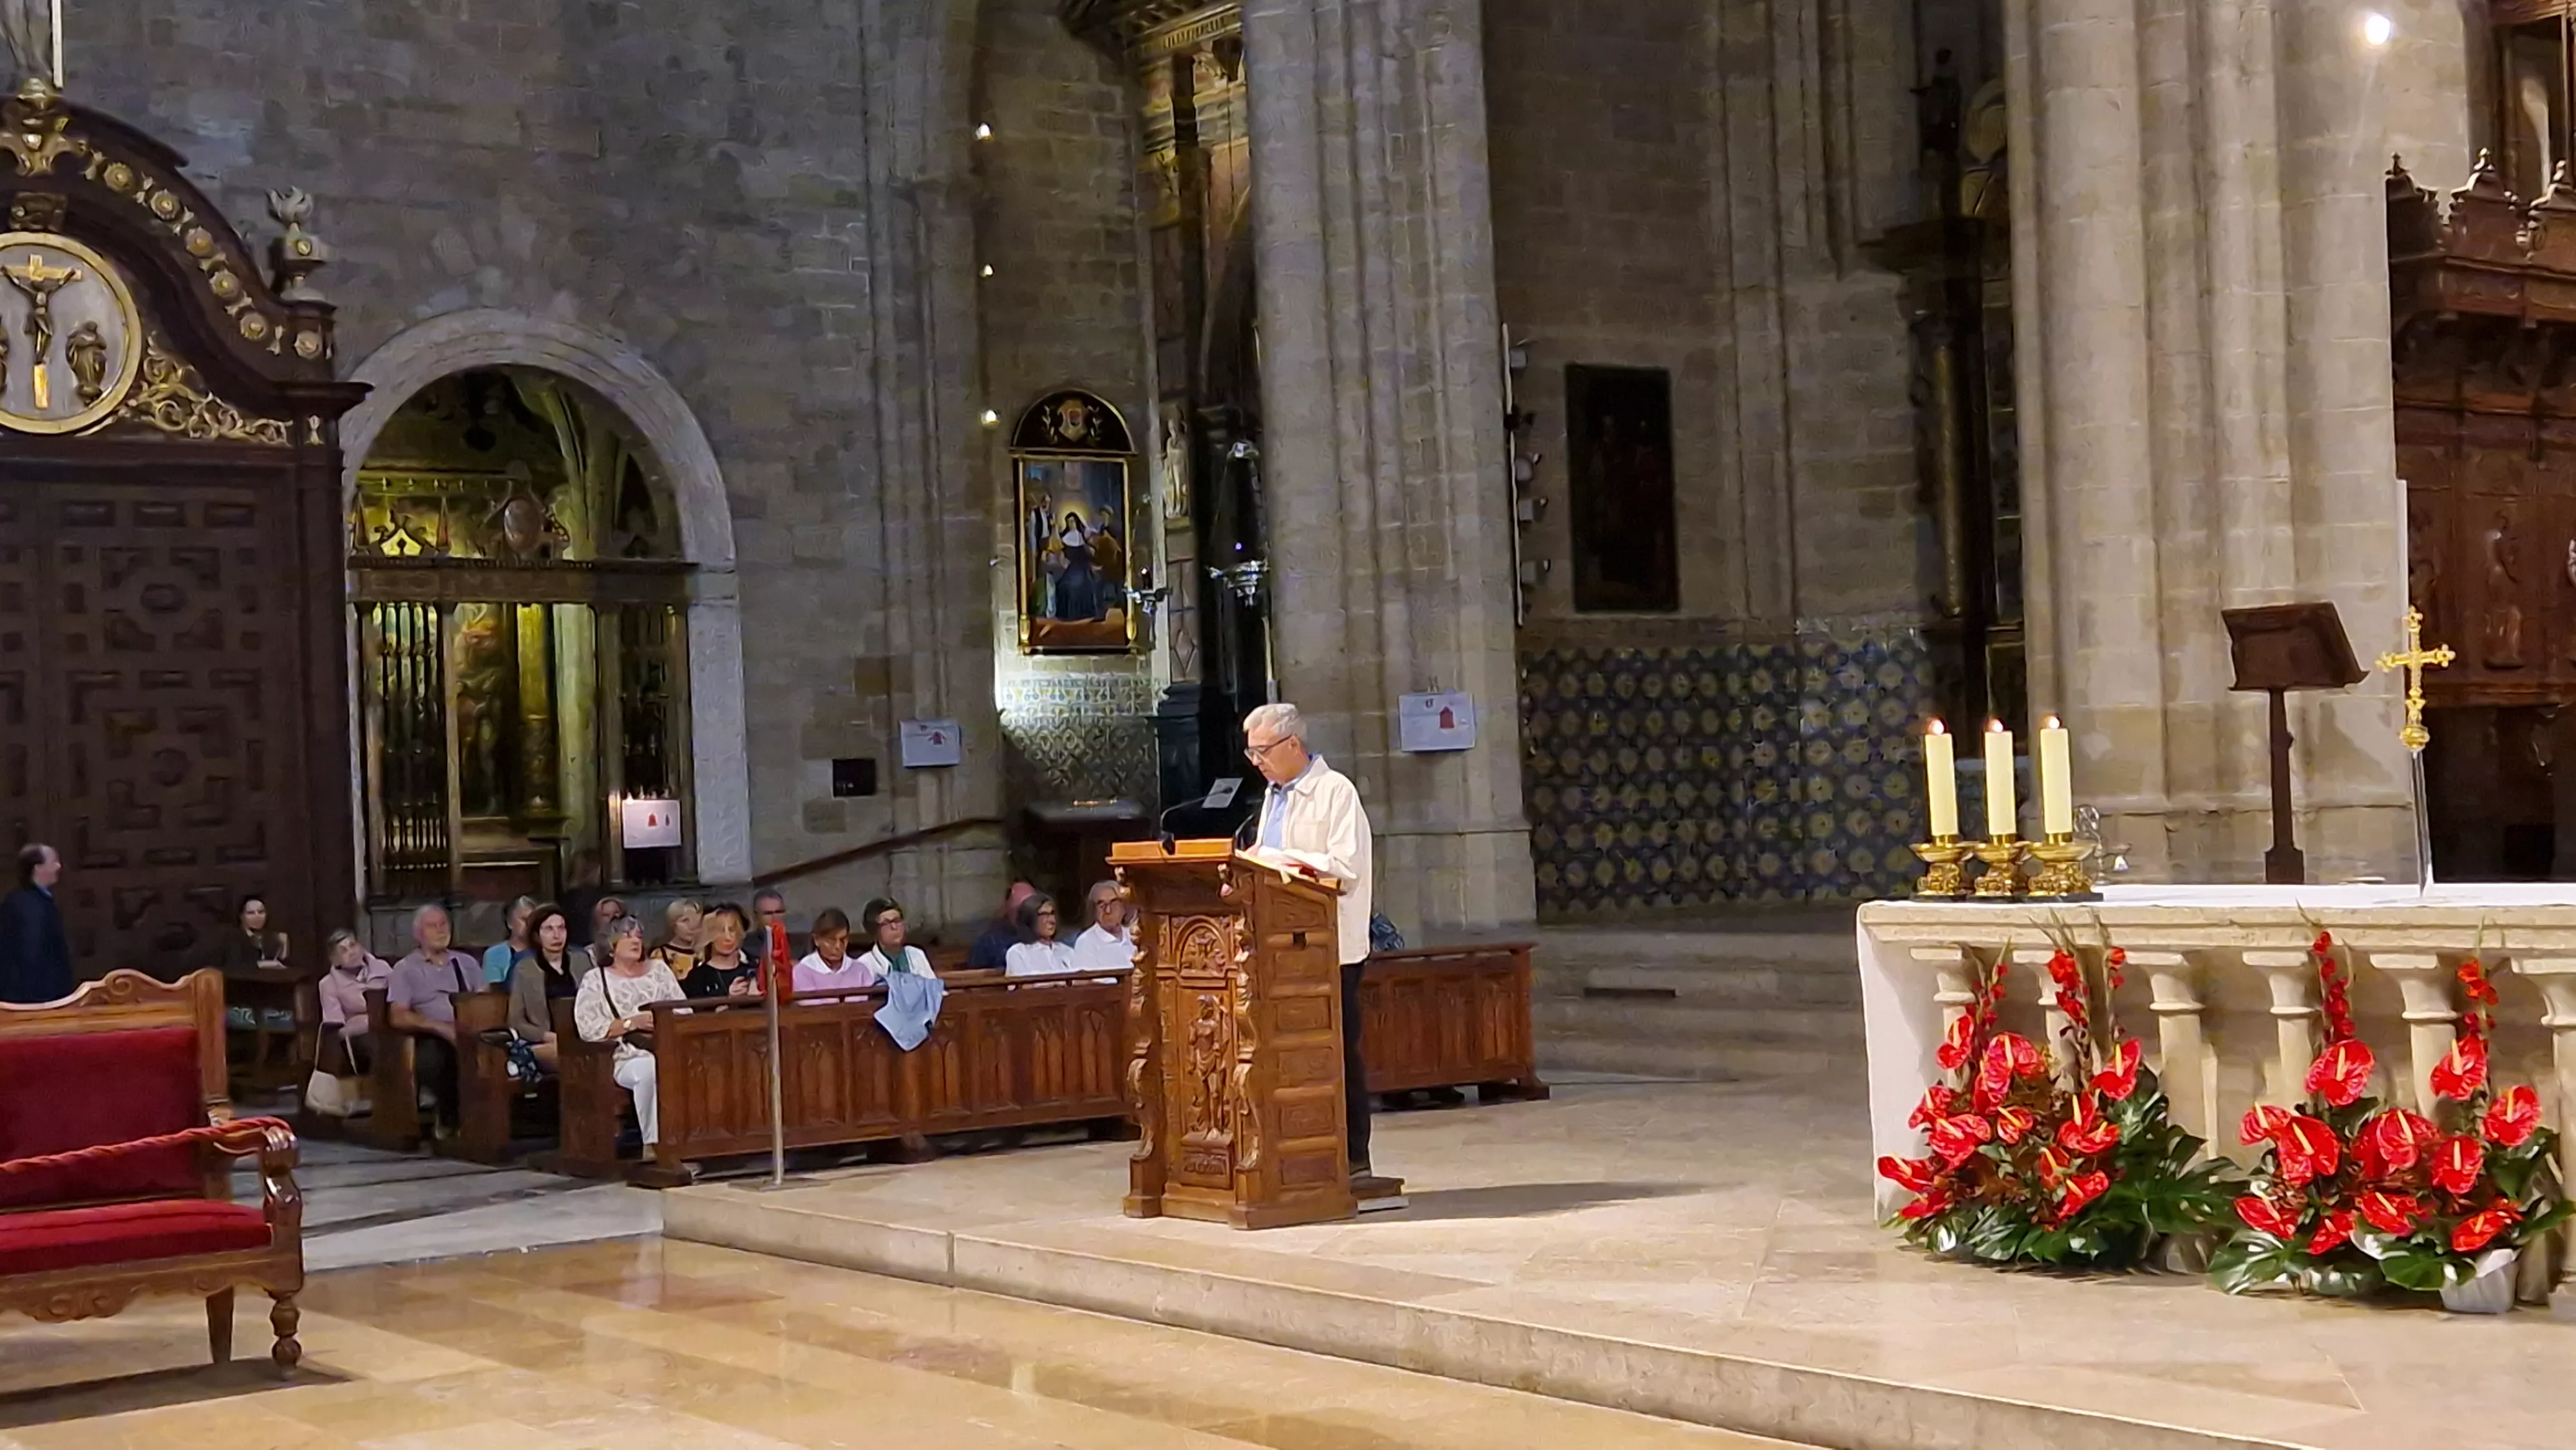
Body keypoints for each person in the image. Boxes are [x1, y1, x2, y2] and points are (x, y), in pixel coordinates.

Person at [1242, 702, 1384, 1187]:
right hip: (1281, 948)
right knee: (1292, 1053)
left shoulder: (1334, 792)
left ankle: (1353, 1159)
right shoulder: (1273, 796)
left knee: (1337, 1051)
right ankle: (1302, 1153)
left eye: (1261, 751)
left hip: (1330, 949)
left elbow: (1345, 868)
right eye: (1250, 752)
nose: (1255, 760)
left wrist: (1276, 856)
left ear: (1293, 746)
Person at [574, 915, 684, 1148]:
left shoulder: (659, 971)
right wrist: (632, 1023)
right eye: (627, 935)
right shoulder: (596, 979)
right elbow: (588, 1027)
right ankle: (654, 1145)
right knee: (648, 1069)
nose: (635, 941)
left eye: (639, 936)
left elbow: (685, 1011)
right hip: (624, 1055)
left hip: (668, 1048)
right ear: (611, 945)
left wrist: (662, 1021)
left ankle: (694, 1141)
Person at [385, 904, 482, 1135]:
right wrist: (440, 1027)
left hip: (474, 1028)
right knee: (439, 1057)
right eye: (433, 926)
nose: (441, 930)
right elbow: (398, 1015)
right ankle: (450, 1121)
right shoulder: (405, 969)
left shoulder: (466, 963)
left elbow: (486, 998)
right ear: (419, 934)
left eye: (444, 924)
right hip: (432, 1035)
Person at [507, 903, 592, 1072]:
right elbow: (516, 1020)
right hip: (545, 1041)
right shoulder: (525, 969)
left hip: (582, 1037)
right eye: (549, 929)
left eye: (561, 928)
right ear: (537, 936)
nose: (557, 935)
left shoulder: (582, 962)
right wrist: (546, 1036)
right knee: (566, 1057)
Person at [0, 843, 71, 1004]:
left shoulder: (31, 900)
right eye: (53, 862)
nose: (58, 866)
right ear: (38, 868)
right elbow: (32, 952)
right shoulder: (29, 905)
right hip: (36, 998)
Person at [316, 928, 392, 1071]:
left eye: (353, 945)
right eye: (343, 951)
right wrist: (367, 1023)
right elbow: (336, 1029)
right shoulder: (327, 984)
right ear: (335, 960)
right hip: (358, 1037)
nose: (351, 952)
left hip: (390, 1027)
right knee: (374, 1046)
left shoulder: (382, 967)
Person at [677, 902, 759, 999]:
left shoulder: (753, 970)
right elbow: (699, 1012)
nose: (728, 938)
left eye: (732, 930)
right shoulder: (697, 978)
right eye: (720, 931)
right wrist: (728, 999)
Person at [793, 907, 881, 993]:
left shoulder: (861, 970)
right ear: (817, 940)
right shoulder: (803, 971)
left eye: (843, 940)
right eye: (831, 940)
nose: (838, 946)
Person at [204, 893, 290, 974]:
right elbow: (234, 967)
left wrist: (283, 950)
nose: (257, 916)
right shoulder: (231, 938)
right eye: (251, 913)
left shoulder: (273, 938)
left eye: (261, 912)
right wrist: (259, 965)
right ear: (242, 916)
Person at [856, 898, 937, 981]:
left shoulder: (916, 954)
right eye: (886, 923)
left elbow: (934, 989)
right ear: (874, 929)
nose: (894, 927)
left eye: (897, 921)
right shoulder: (864, 964)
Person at [1069, 880, 1137, 977]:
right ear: (1094, 910)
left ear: (1124, 906)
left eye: (1114, 903)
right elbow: (1085, 983)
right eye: (1102, 905)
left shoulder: (1134, 936)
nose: (1108, 910)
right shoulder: (1086, 942)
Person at [1004, 891, 1077, 979]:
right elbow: (1023, 988)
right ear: (1030, 919)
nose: (1052, 920)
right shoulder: (1018, 953)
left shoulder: (1068, 952)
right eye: (1044, 914)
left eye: (1052, 914)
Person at [966, 880, 1036, 970]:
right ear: (1008, 907)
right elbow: (976, 977)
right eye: (1020, 909)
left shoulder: (1046, 937)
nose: (1025, 914)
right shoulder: (988, 942)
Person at [483, 895, 536, 986]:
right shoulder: (494, 954)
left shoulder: (545, 950)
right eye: (524, 919)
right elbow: (493, 994)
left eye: (533, 920)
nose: (529, 924)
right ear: (509, 922)